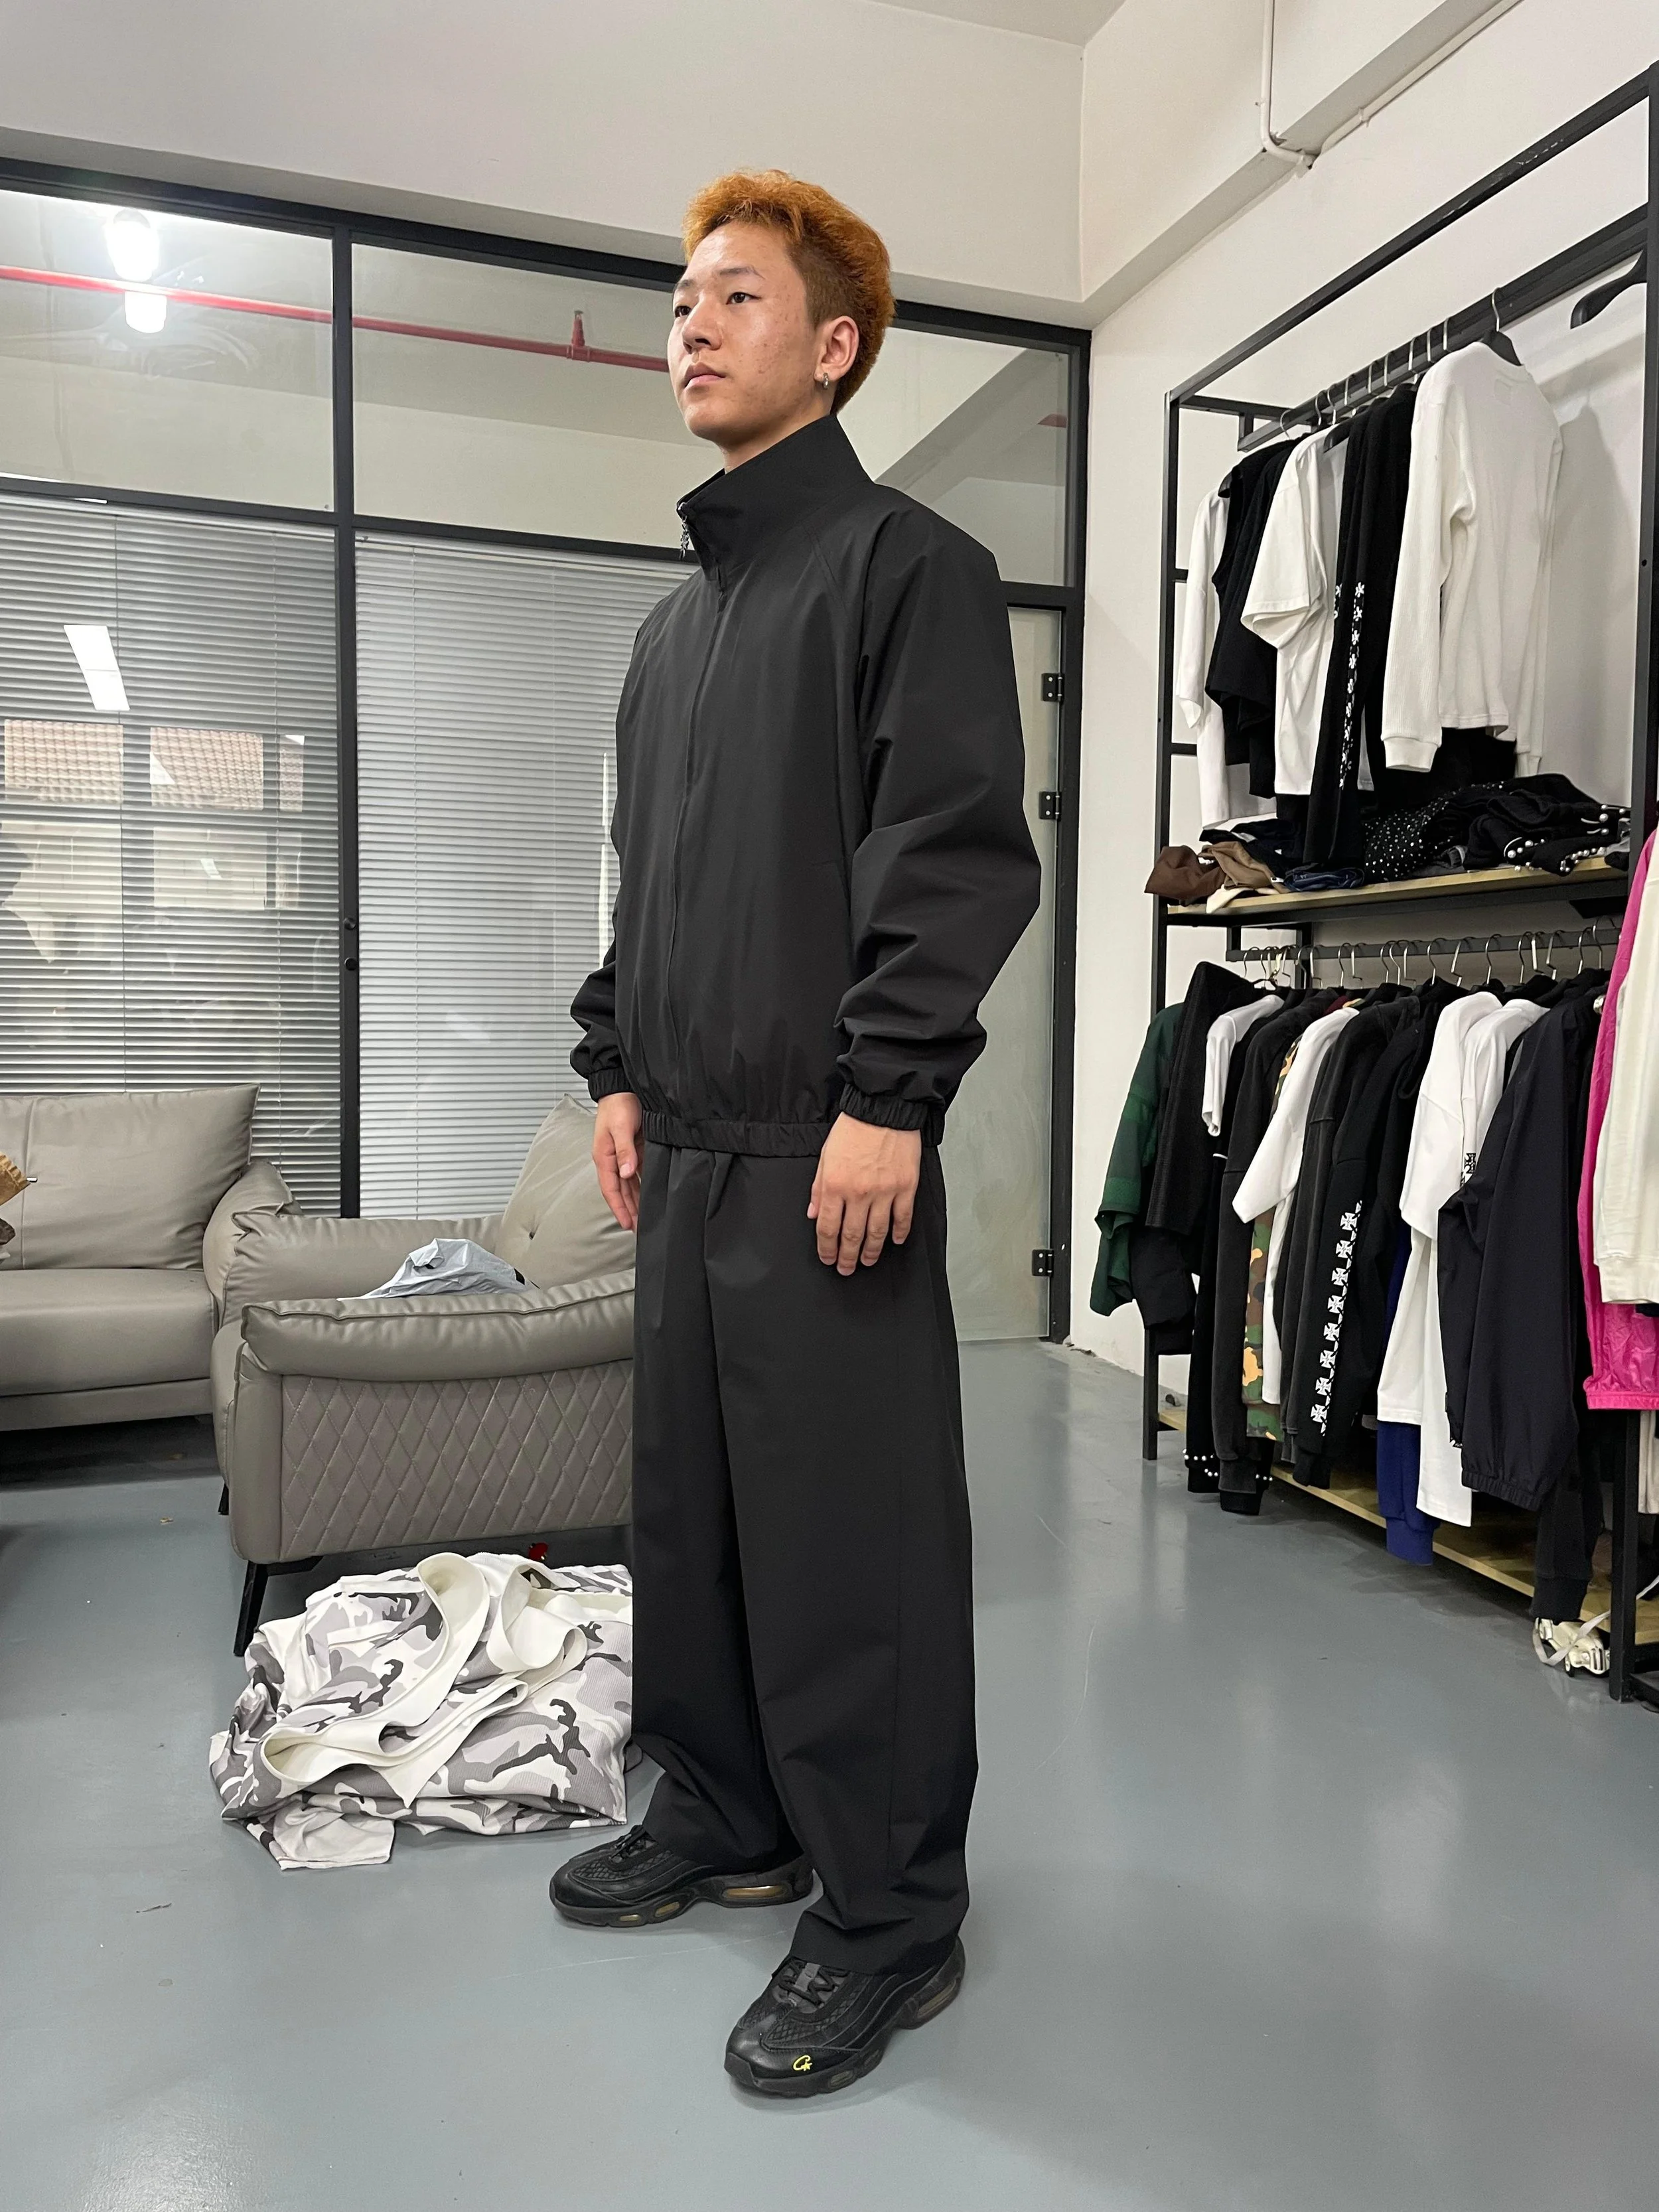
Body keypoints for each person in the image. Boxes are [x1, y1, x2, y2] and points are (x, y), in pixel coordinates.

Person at [554, 168, 1040, 2098]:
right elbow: (637, 887)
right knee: (692, 1521)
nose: (687, 323)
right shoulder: (673, 635)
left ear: (831, 346)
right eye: (681, 297)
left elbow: (947, 855)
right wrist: (610, 1063)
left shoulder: (906, 569)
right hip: (680, 1144)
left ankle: (887, 1910)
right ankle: (726, 1808)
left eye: (731, 297)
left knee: (853, 1548)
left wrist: (883, 1097)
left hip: (823, 1142)